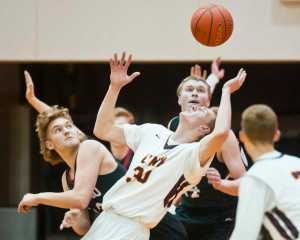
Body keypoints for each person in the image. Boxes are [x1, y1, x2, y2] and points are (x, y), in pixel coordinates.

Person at [88, 52, 246, 240]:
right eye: (189, 90)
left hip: (136, 226)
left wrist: (227, 90)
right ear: (178, 99)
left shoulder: (193, 153)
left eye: (201, 97)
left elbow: (220, 131)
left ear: (205, 128)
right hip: (108, 218)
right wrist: (114, 87)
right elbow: (102, 130)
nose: (195, 97)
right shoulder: (153, 130)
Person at [18, 71, 126, 236]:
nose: (67, 131)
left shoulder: (89, 148)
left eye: (69, 126)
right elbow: (83, 227)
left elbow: (81, 198)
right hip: (122, 229)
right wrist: (75, 219)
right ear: (49, 144)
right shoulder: (67, 180)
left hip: (150, 226)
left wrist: (37, 197)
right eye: (58, 130)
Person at [168, 60, 246, 239]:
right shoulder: (173, 126)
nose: (194, 93)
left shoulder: (222, 134)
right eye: (189, 90)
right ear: (179, 99)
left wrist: (221, 184)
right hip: (186, 210)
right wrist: (211, 79)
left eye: (201, 91)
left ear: (209, 101)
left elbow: (245, 183)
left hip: (221, 213)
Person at [228, 104, 300, 240]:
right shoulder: (297, 162)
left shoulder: (255, 177)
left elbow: (244, 236)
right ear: (277, 134)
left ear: (242, 136)